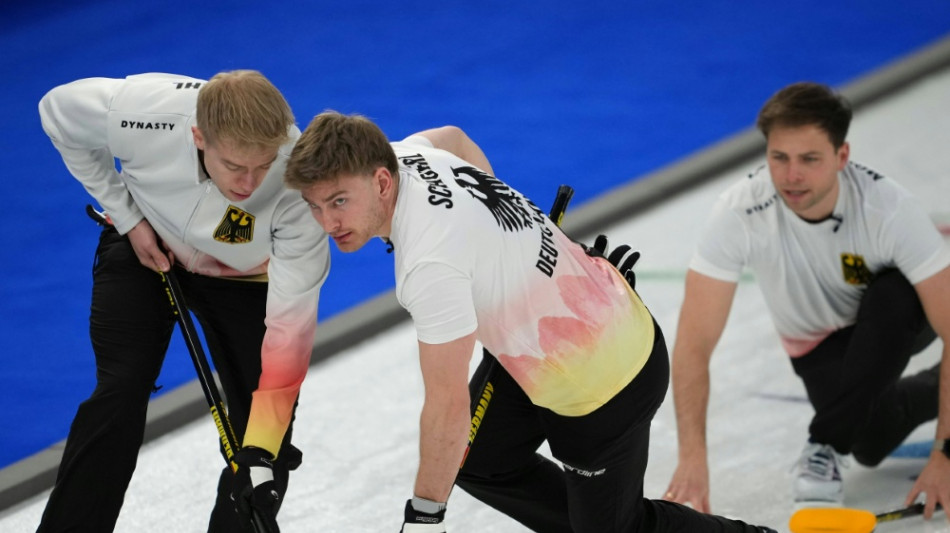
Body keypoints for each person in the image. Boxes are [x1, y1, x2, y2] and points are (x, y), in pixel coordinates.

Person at [283, 110, 777, 532]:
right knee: (475, 460)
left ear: (381, 182)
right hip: (545, 348)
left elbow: (447, 408)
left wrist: (424, 516)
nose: (328, 224)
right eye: (315, 206)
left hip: (603, 382)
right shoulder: (404, 156)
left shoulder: (428, 265)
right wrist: (506, 244)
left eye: (339, 202)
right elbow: (454, 136)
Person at [36, 71, 330, 532]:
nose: (250, 183)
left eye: (263, 165)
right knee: (121, 390)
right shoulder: (143, 113)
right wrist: (128, 215)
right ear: (198, 135)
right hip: (145, 243)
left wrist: (258, 452)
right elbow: (56, 110)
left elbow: (290, 331)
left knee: (266, 444)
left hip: (244, 277)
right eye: (235, 166)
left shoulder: (301, 183)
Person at [663, 81, 950, 517]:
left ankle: (825, 442)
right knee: (871, 442)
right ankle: (890, 409)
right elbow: (693, 343)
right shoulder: (739, 213)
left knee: (892, 298)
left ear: (842, 157)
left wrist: (945, 453)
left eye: (809, 159)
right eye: (779, 158)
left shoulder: (887, 209)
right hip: (819, 340)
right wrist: (691, 457)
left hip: (899, 316)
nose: (791, 175)